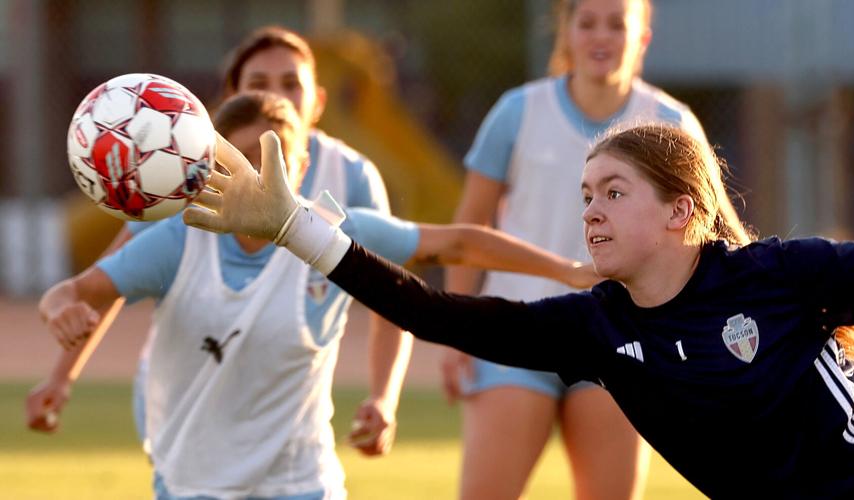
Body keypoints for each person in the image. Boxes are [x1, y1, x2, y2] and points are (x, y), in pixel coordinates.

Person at [186, 123, 854, 499]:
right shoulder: (595, 327)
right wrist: (295, 227)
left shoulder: (773, 276)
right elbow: (430, 311)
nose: (590, 210)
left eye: (613, 192)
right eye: (585, 195)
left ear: (682, 211)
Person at [40, 92, 603, 499]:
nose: (260, 169)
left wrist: (569, 270)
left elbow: (455, 243)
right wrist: (60, 309)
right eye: (242, 156)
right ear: (211, 165)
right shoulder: (177, 240)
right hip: (195, 479)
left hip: (301, 481)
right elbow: (78, 288)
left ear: (303, 164)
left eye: (277, 154)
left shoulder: (333, 230)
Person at [27, 26, 405, 457]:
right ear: (234, 98)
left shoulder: (352, 176)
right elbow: (113, 277)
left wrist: (384, 397)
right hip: (185, 396)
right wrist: (62, 377)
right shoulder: (184, 166)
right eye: (260, 84)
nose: (278, 95)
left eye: (291, 83)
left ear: (317, 101)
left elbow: (389, 293)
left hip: (283, 409)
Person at [442, 1, 731, 497]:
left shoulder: (671, 122)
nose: (602, 36)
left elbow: (717, 231)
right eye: (588, 22)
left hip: (621, 337)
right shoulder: (518, 111)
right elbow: (470, 225)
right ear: (567, 34)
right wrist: (458, 333)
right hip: (520, 323)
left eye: (618, 24)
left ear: (642, 39)